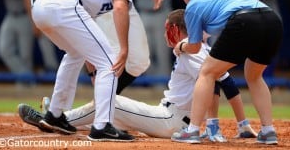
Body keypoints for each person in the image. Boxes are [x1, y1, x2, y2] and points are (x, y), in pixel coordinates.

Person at [18, 9, 257, 141]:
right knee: (107, 116)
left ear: (174, 29)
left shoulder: (187, 47)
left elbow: (223, 80)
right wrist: (233, 123)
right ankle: (65, 122)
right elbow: (220, 80)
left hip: (171, 119)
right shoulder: (197, 47)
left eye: (167, 29)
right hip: (172, 115)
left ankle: (56, 117)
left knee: (113, 100)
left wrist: (237, 124)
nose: (165, 34)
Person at [29, 0, 147, 141]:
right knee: (110, 61)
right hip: (64, 5)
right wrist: (124, 50)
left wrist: (91, 57)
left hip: (41, 8)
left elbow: (85, 30)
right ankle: (102, 126)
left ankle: (55, 114)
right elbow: (119, 8)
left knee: (75, 54)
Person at [171, 0, 283, 145]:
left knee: (207, 72)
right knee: (254, 76)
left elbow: (194, 47)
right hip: (273, 20)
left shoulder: (192, 6)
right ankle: (268, 131)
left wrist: (180, 46)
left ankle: (192, 130)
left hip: (244, 21)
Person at [64, 0, 164, 94]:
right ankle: (100, 105)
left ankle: (105, 99)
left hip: (124, 0)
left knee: (140, 63)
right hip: (96, 5)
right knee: (111, 61)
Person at [134, 0, 174, 76]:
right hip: (143, 13)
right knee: (145, 50)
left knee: (162, 51)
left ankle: (161, 84)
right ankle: (150, 83)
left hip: (161, 13)